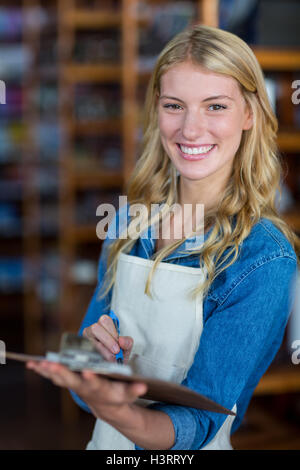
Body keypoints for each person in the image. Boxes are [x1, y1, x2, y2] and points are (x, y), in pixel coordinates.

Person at [27, 24, 299, 450]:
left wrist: (120, 410)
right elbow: (82, 371)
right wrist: (90, 368)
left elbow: (197, 424)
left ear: (249, 114)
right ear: (157, 109)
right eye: (175, 105)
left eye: (215, 106)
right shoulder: (125, 225)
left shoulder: (263, 258)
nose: (190, 130)